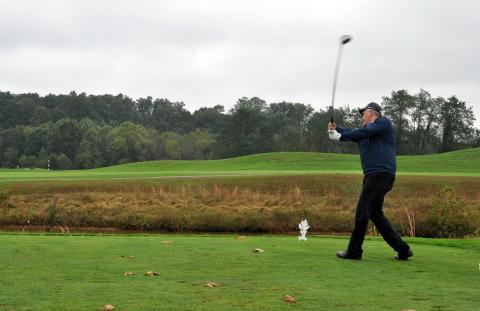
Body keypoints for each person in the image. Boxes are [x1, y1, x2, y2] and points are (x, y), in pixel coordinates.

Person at [327, 102, 413, 260]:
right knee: (375, 213)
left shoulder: (382, 123)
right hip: (374, 176)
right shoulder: (365, 134)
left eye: (363, 113)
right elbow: (354, 133)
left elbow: (360, 132)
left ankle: (354, 251)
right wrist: (335, 130)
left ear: (373, 113)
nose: (361, 117)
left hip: (379, 175)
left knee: (362, 211)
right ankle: (403, 249)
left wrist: (340, 136)